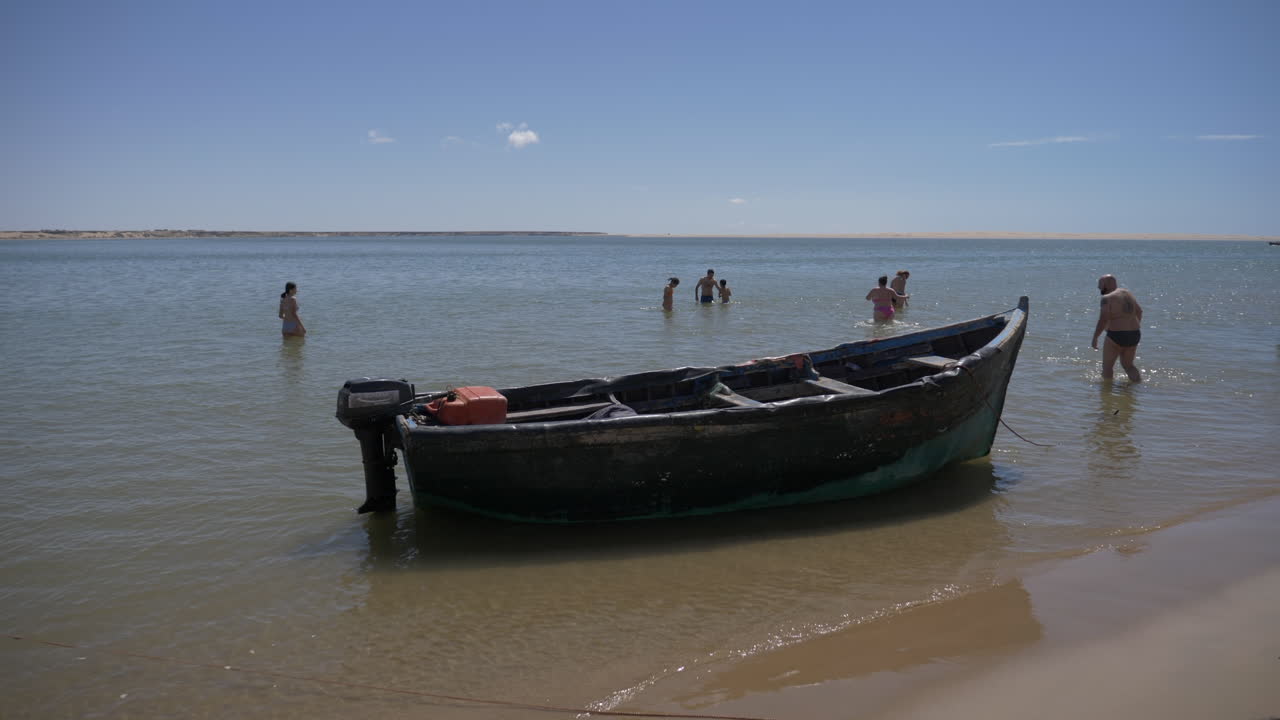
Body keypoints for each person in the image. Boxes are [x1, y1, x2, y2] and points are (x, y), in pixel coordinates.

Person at [1091, 274, 1142, 382]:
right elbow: (1139, 311)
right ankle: (1137, 388)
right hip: (1135, 334)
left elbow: (1103, 319)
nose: (1098, 287)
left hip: (1116, 335)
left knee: (1107, 367)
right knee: (1128, 365)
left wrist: (1095, 337)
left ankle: (1107, 394)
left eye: (1100, 284)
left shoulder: (1106, 298)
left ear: (1105, 284)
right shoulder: (1127, 293)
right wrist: (1133, 327)